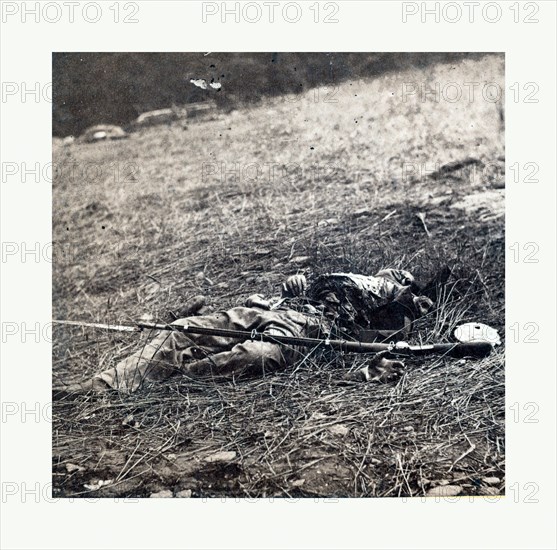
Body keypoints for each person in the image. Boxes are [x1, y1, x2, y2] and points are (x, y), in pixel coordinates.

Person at [55, 268, 433, 394]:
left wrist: (412, 304)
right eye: (397, 274)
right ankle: (104, 385)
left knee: (256, 356)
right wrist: (292, 286)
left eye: (404, 278)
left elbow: (384, 335)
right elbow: (289, 289)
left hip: (310, 333)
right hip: (271, 310)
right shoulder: (339, 275)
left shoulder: (393, 302)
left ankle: (175, 375)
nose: (398, 276)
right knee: (183, 328)